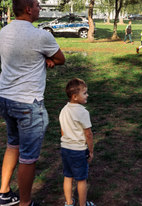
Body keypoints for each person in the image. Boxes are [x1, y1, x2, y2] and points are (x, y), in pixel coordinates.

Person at [0, 0, 66, 206]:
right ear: (28, 9)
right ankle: (25, 203)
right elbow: (60, 58)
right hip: (28, 103)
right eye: (37, 5)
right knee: (28, 157)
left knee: (12, 145)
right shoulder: (41, 36)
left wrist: (43, 58)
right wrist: (47, 58)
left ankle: (4, 193)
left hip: (5, 98)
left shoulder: (4, 32)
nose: (39, 8)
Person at [59, 78, 96, 206]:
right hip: (78, 151)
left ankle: (68, 203)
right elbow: (88, 134)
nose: (87, 95)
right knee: (81, 180)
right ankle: (83, 204)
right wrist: (90, 151)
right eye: (84, 93)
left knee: (68, 176)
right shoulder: (83, 112)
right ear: (75, 96)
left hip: (65, 149)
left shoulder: (64, 110)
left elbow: (62, 131)